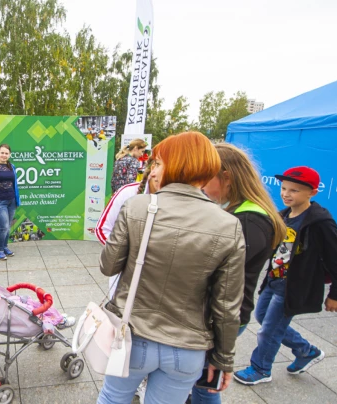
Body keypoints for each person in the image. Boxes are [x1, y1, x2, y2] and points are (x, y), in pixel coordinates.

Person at [97, 132, 246, 404]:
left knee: (112, 398)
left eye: (158, 162)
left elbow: (108, 266)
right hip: (188, 348)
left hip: (132, 337)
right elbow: (227, 306)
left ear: (175, 165)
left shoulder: (137, 206)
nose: (153, 168)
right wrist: (223, 358)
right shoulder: (229, 225)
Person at [234, 166, 337, 385]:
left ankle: (261, 368)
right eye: (284, 188)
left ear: (313, 192)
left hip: (293, 286)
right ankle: (305, 351)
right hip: (273, 280)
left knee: (268, 330)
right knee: (262, 318)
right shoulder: (283, 215)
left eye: (295, 190)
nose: (286, 194)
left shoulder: (320, 222)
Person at [191, 143, 287, 404]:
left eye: (204, 178)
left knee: (205, 385)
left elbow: (214, 274)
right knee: (201, 383)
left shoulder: (247, 221)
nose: (199, 186)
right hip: (224, 314)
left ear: (227, 177)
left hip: (222, 317)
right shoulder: (243, 214)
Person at [96, 160, 157, 402]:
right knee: (121, 331)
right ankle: (121, 379)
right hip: (122, 277)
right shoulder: (129, 193)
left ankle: (142, 382)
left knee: (147, 336)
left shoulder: (177, 203)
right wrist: (122, 259)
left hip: (155, 282)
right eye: (157, 166)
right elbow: (103, 228)